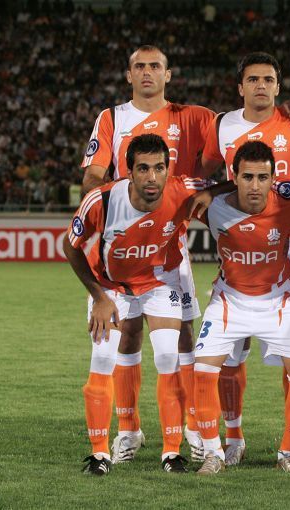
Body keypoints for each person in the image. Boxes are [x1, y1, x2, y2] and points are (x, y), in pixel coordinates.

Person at [80, 45, 215, 461]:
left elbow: (243, 135)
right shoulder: (112, 118)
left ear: (167, 74)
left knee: (181, 335)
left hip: (169, 246)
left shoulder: (192, 117)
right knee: (127, 333)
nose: (147, 73)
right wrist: (117, 206)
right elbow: (93, 176)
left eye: (155, 66)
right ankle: (129, 429)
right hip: (125, 243)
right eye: (139, 66)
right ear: (128, 75)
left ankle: (191, 425)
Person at [64, 134, 216, 475]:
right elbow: (70, 246)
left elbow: (232, 185)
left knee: (167, 356)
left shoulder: (182, 189)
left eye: (159, 168)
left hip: (160, 283)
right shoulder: (102, 200)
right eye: (143, 168)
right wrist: (99, 297)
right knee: (103, 358)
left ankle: (172, 452)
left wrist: (212, 192)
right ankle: (100, 453)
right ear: (129, 172)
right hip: (110, 287)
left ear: (168, 170)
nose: (152, 177)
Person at [198, 51, 290, 465]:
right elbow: (208, 172)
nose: (261, 86)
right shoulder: (222, 124)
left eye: (268, 79)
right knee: (233, 351)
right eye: (253, 79)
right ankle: (233, 437)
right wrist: (214, 194)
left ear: (278, 86)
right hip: (241, 240)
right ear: (240, 86)